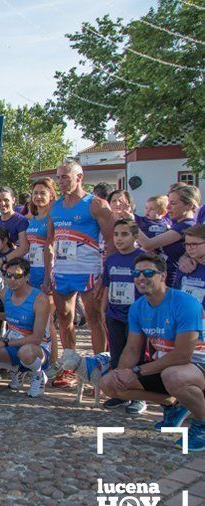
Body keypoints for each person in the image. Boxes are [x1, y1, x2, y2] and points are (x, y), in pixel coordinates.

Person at [100, 253, 205, 452]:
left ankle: (201, 424)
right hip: (166, 366)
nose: (141, 277)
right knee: (109, 383)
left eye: (148, 272)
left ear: (162, 276)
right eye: (137, 273)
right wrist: (121, 372)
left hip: (196, 364)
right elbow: (132, 348)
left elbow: (183, 355)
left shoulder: (185, 303)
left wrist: (137, 371)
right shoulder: (138, 307)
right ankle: (173, 406)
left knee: (173, 375)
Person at [47, 161, 114, 387]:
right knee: (64, 318)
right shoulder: (55, 207)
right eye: (59, 178)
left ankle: (100, 367)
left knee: (95, 319)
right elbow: (49, 242)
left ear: (79, 177)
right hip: (63, 273)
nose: (61, 182)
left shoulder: (95, 204)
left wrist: (105, 276)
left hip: (88, 271)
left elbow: (113, 241)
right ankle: (69, 365)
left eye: (65, 177)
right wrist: (49, 273)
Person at [0, 258, 53, 397]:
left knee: (26, 353)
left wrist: (4, 342)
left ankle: (38, 375)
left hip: (35, 347)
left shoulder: (40, 299)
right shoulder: (5, 293)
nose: (12, 279)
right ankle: (16, 369)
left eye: (17, 276)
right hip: (12, 341)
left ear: (27, 277)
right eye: (8, 275)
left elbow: (37, 338)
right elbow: (11, 316)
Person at [100, 219, 147, 414]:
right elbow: (107, 286)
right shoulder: (111, 259)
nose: (119, 239)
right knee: (117, 354)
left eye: (124, 234)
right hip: (114, 314)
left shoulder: (143, 258)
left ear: (135, 237)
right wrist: (103, 310)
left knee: (137, 356)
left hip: (136, 317)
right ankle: (120, 394)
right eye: (116, 234)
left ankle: (139, 397)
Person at [136, 186, 199, 287]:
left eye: (173, 203)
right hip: (165, 276)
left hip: (174, 279)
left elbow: (148, 244)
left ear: (189, 205)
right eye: (168, 202)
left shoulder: (186, 225)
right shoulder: (176, 222)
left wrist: (129, 223)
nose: (168, 207)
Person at [26, 178, 56, 289]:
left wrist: (48, 276)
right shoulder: (32, 219)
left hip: (48, 272)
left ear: (51, 195)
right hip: (33, 271)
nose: (38, 197)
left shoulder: (53, 217)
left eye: (43, 193)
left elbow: (52, 247)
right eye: (35, 193)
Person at [0, 187, 29, 260]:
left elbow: (24, 248)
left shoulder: (21, 221)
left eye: (6, 200)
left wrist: (3, 260)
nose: (2, 203)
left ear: (13, 200)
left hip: (14, 264)